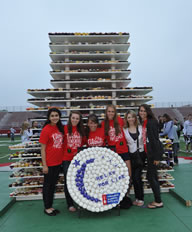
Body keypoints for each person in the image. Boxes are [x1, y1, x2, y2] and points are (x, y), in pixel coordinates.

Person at [39, 108, 64, 216]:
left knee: (53, 185)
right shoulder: (46, 129)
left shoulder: (59, 128)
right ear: (49, 117)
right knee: (47, 186)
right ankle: (47, 207)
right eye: (52, 115)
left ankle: (50, 205)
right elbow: (42, 149)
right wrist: (44, 165)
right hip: (49, 163)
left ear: (59, 116)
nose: (55, 117)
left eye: (56, 115)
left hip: (58, 162)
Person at [138, 104, 163, 209]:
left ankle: (158, 201)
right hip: (149, 154)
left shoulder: (151, 122)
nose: (142, 113)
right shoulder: (144, 122)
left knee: (151, 177)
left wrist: (157, 157)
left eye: (144, 111)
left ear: (148, 111)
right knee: (153, 177)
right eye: (140, 111)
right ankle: (158, 199)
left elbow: (155, 140)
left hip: (153, 154)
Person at [62, 111, 86, 212]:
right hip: (66, 159)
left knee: (79, 181)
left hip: (78, 160)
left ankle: (81, 201)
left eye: (77, 118)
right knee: (68, 182)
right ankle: (70, 204)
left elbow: (84, 143)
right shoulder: (65, 129)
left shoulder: (82, 130)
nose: (75, 120)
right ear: (70, 118)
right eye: (73, 118)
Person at [101, 105, 131, 178]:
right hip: (113, 152)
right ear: (106, 112)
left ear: (115, 113)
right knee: (115, 174)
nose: (110, 113)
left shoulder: (120, 120)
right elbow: (103, 138)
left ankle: (128, 186)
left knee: (128, 173)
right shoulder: (103, 123)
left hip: (124, 150)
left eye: (112, 112)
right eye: (109, 111)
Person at [123, 110, 145, 206]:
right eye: (129, 117)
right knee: (131, 177)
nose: (131, 119)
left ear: (135, 118)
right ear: (126, 119)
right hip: (130, 156)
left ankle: (140, 198)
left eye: (132, 117)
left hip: (140, 155)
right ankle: (135, 197)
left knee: (137, 177)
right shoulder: (124, 130)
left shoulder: (141, 128)